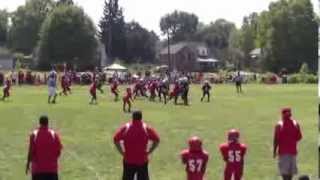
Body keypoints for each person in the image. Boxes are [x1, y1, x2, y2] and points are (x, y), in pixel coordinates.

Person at [113, 111, 160, 180]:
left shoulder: (126, 127)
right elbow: (157, 140)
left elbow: (115, 139)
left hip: (128, 159)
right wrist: (149, 151)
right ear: (141, 118)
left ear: (132, 117)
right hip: (142, 160)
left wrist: (122, 152)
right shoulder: (146, 128)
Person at [26, 115, 63, 180]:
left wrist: (28, 164)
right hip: (52, 170)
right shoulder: (54, 134)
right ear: (47, 123)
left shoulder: (34, 134)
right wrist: (52, 160)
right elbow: (59, 150)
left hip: (37, 170)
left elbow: (31, 151)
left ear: (39, 123)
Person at [273, 108, 302, 180]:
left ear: (282, 115)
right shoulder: (296, 124)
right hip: (293, 153)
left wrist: (274, 151)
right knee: (290, 175)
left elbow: (276, 140)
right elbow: (299, 137)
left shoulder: (279, 125)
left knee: (284, 175)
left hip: (283, 153)